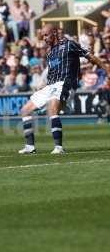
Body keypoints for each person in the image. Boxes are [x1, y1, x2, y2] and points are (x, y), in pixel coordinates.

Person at [19, 24, 110, 155]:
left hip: (65, 83)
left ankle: (58, 148)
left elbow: (90, 56)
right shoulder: (49, 53)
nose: (44, 38)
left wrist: (107, 69)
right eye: (42, 36)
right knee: (25, 110)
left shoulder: (69, 44)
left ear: (54, 33)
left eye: (46, 35)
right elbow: (51, 75)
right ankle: (29, 146)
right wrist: (44, 88)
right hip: (51, 85)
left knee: (52, 109)